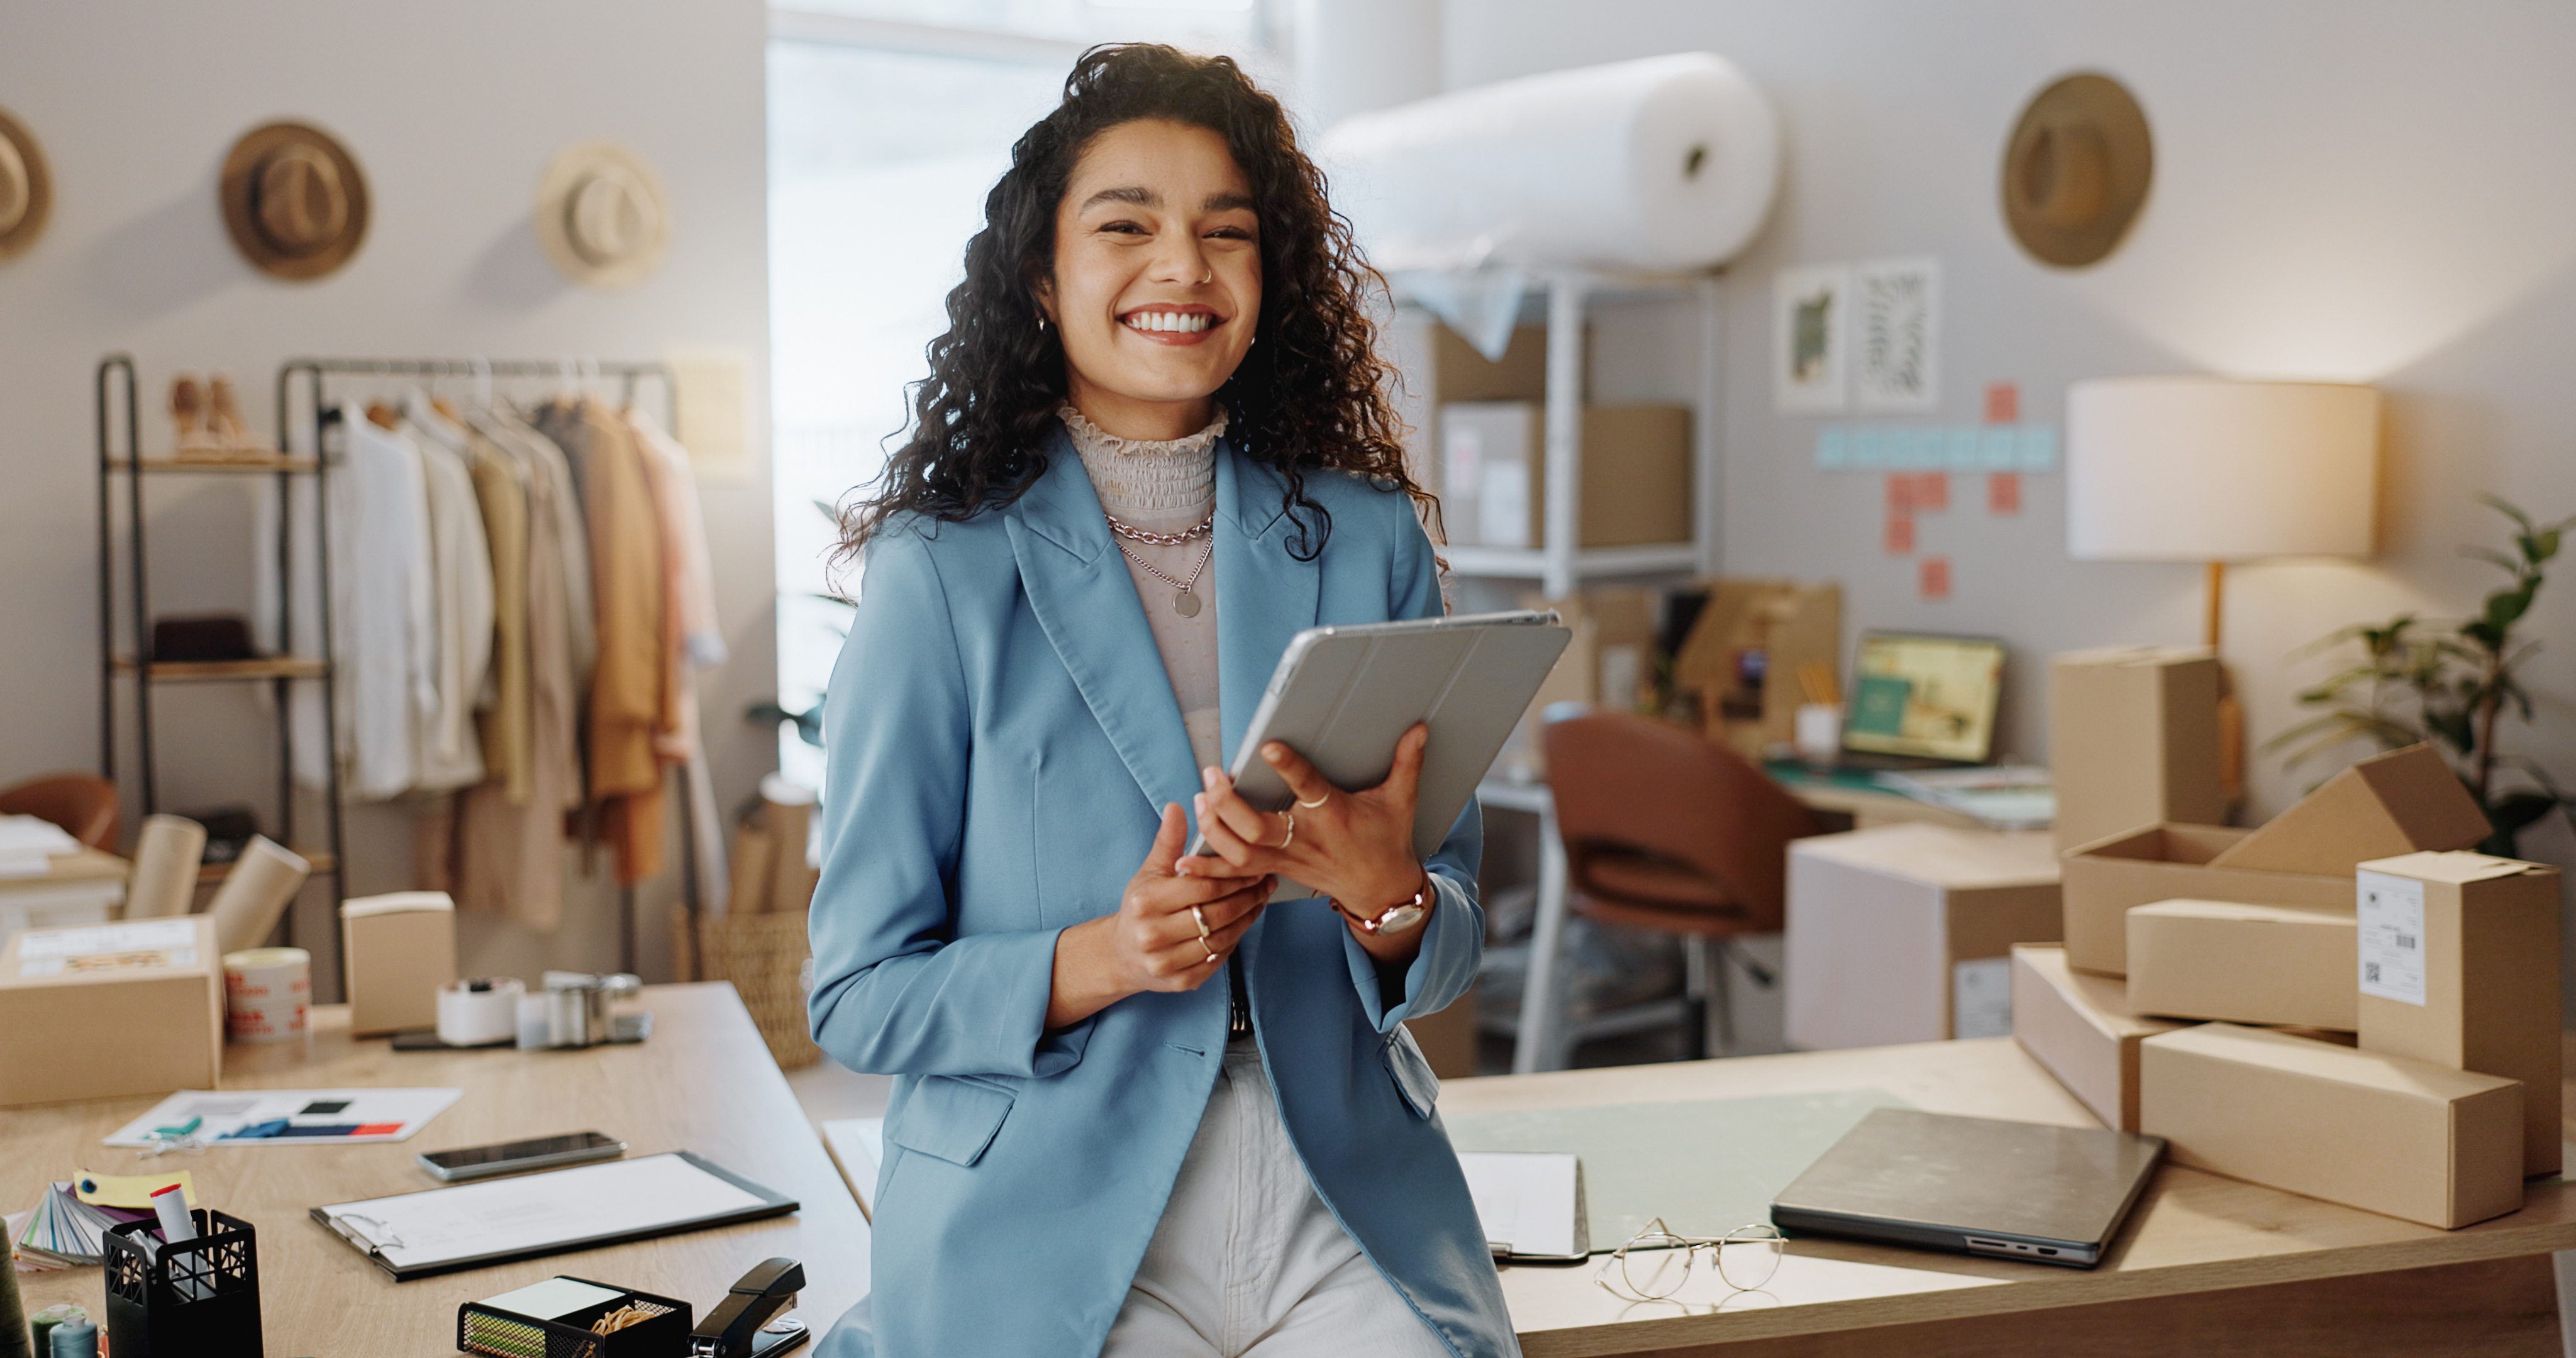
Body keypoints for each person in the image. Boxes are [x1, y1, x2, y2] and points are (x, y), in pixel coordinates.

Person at [806, 41, 1516, 1358]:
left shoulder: (1365, 542)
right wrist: (1099, 959)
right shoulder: (940, 572)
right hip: (1047, 1206)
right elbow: (852, 994)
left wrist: (1386, 897)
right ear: (1043, 275)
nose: (1182, 267)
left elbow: (1451, 936)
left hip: (1338, 1193)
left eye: (1225, 235)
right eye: (1125, 225)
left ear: (1268, 280)